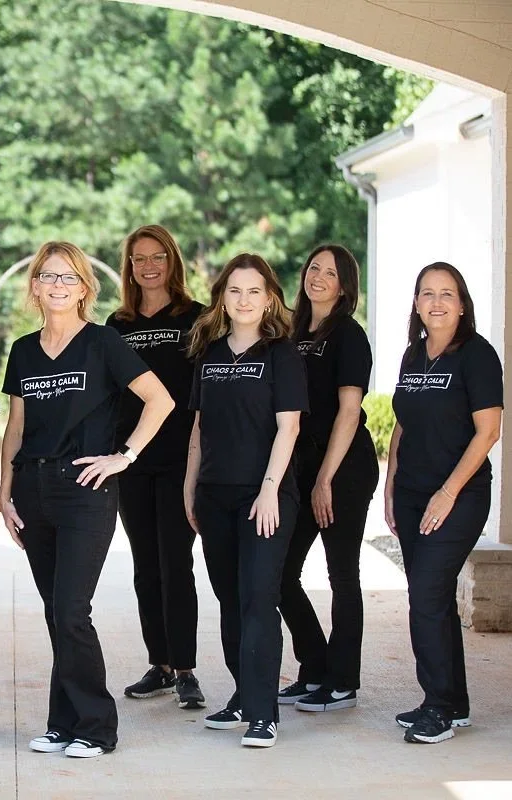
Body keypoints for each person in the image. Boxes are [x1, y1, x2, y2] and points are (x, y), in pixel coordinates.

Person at [1, 241, 175, 759]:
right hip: (33, 489)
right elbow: (16, 426)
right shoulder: (24, 350)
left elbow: (160, 400)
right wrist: (4, 493)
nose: (57, 285)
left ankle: (97, 727)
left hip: (85, 491)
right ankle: (62, 723)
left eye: (68, 277)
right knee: (56, 612)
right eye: (48, 276)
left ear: (84, 288)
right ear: (35, 286)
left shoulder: (103, 342)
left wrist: (124, 456)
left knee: (72, 609)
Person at [184, 253, 307, 749]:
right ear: (222, 298)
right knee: (230, 599)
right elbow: (198, 429)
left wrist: (270, 489)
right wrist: (190, 489)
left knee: (258, 598)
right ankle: (243, 694)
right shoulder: (210, 354)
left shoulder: (282, 354)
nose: (244, 299)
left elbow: (288, 427)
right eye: (235, 290)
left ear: (270, 298)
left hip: (266, 498)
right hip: (214, 496)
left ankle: (263, 713)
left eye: (254, 290)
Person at [384, 262, 502, 745]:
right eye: (427, 293)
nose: (436, 302)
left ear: (462, 304)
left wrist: (447, 492)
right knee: (433, 597)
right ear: (416, 304)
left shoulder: (477, 355)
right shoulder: (413, 354)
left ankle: (437, 707)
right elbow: (402, 423)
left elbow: (488, 431)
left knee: (426, 595)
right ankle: (454, 702)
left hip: (460, 496)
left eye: (447, 294)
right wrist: (390, 486)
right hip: (413, 495)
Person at [277, 245, 380, 713]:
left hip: (343, 469)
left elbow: (349, 411)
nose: (318, 276)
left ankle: (342, 682)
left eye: (331, 272)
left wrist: (325, 480)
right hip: (301, 467)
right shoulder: (292, 331)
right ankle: (315, 666)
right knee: (280, 573)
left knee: (342, 574)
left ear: (344, 286)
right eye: (314, 268)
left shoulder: (349, 335)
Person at [107, 225, 206, 709]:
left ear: (172, 262)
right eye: (139, 259)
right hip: (130, 459)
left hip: (179, 460)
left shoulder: (196, 317)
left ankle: (186, 668)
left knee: (176, 563)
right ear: (129, 267)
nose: (148, 267)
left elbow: (206, 391)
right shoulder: (116, 324)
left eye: (157, 257)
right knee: (145, 565)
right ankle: (160, 665)